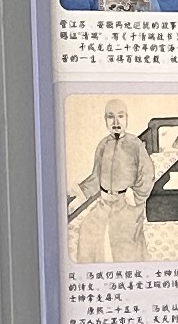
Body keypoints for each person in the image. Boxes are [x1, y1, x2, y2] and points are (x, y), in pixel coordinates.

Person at [65, 101, 152, 264]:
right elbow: (96, 177)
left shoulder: (135, 145)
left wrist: (136, 196)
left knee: (124, 241)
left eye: (120, 116)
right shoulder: (103, 145)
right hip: (104, 204)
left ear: (126, 118)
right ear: (105, 119)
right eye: (111, 117)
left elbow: (147, 175)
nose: (116, 122)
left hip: (126, 204)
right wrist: (79, 193)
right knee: (87, 228)